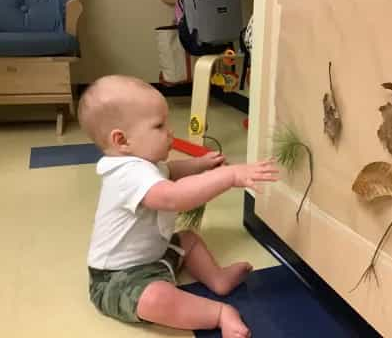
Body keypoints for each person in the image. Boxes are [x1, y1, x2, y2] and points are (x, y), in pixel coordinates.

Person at [78, 75, 278, 338]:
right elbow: (173, 197)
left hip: (154, 255)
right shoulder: (125, 174)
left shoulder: (143, 163)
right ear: (122, 140)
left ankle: (217, 279)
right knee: (154, 299)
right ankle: (218, 313)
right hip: (117, 278)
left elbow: (169, 172)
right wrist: (229, 177)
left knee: (188, 240)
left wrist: (198, 165)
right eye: (159, 126)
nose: (170, 131)